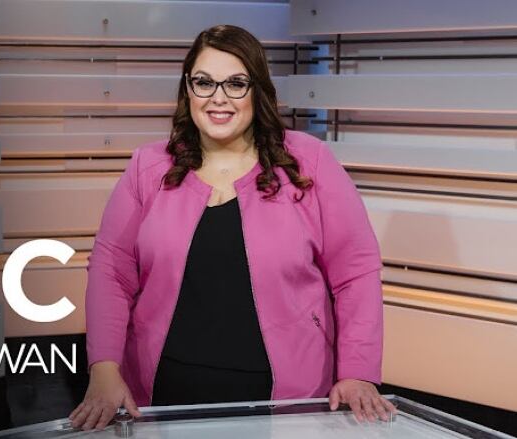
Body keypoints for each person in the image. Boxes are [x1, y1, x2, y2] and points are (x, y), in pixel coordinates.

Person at [69, 24, 398, 431]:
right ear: (187, 88)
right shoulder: (146, 167)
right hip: (164, 396)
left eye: (236, 83)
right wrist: (104, 368)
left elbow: (356, 272)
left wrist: (358, 371)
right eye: (204, 82)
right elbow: (110, 272)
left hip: (286, 400)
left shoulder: (308, 162)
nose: (218, 98)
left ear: (257, 89)